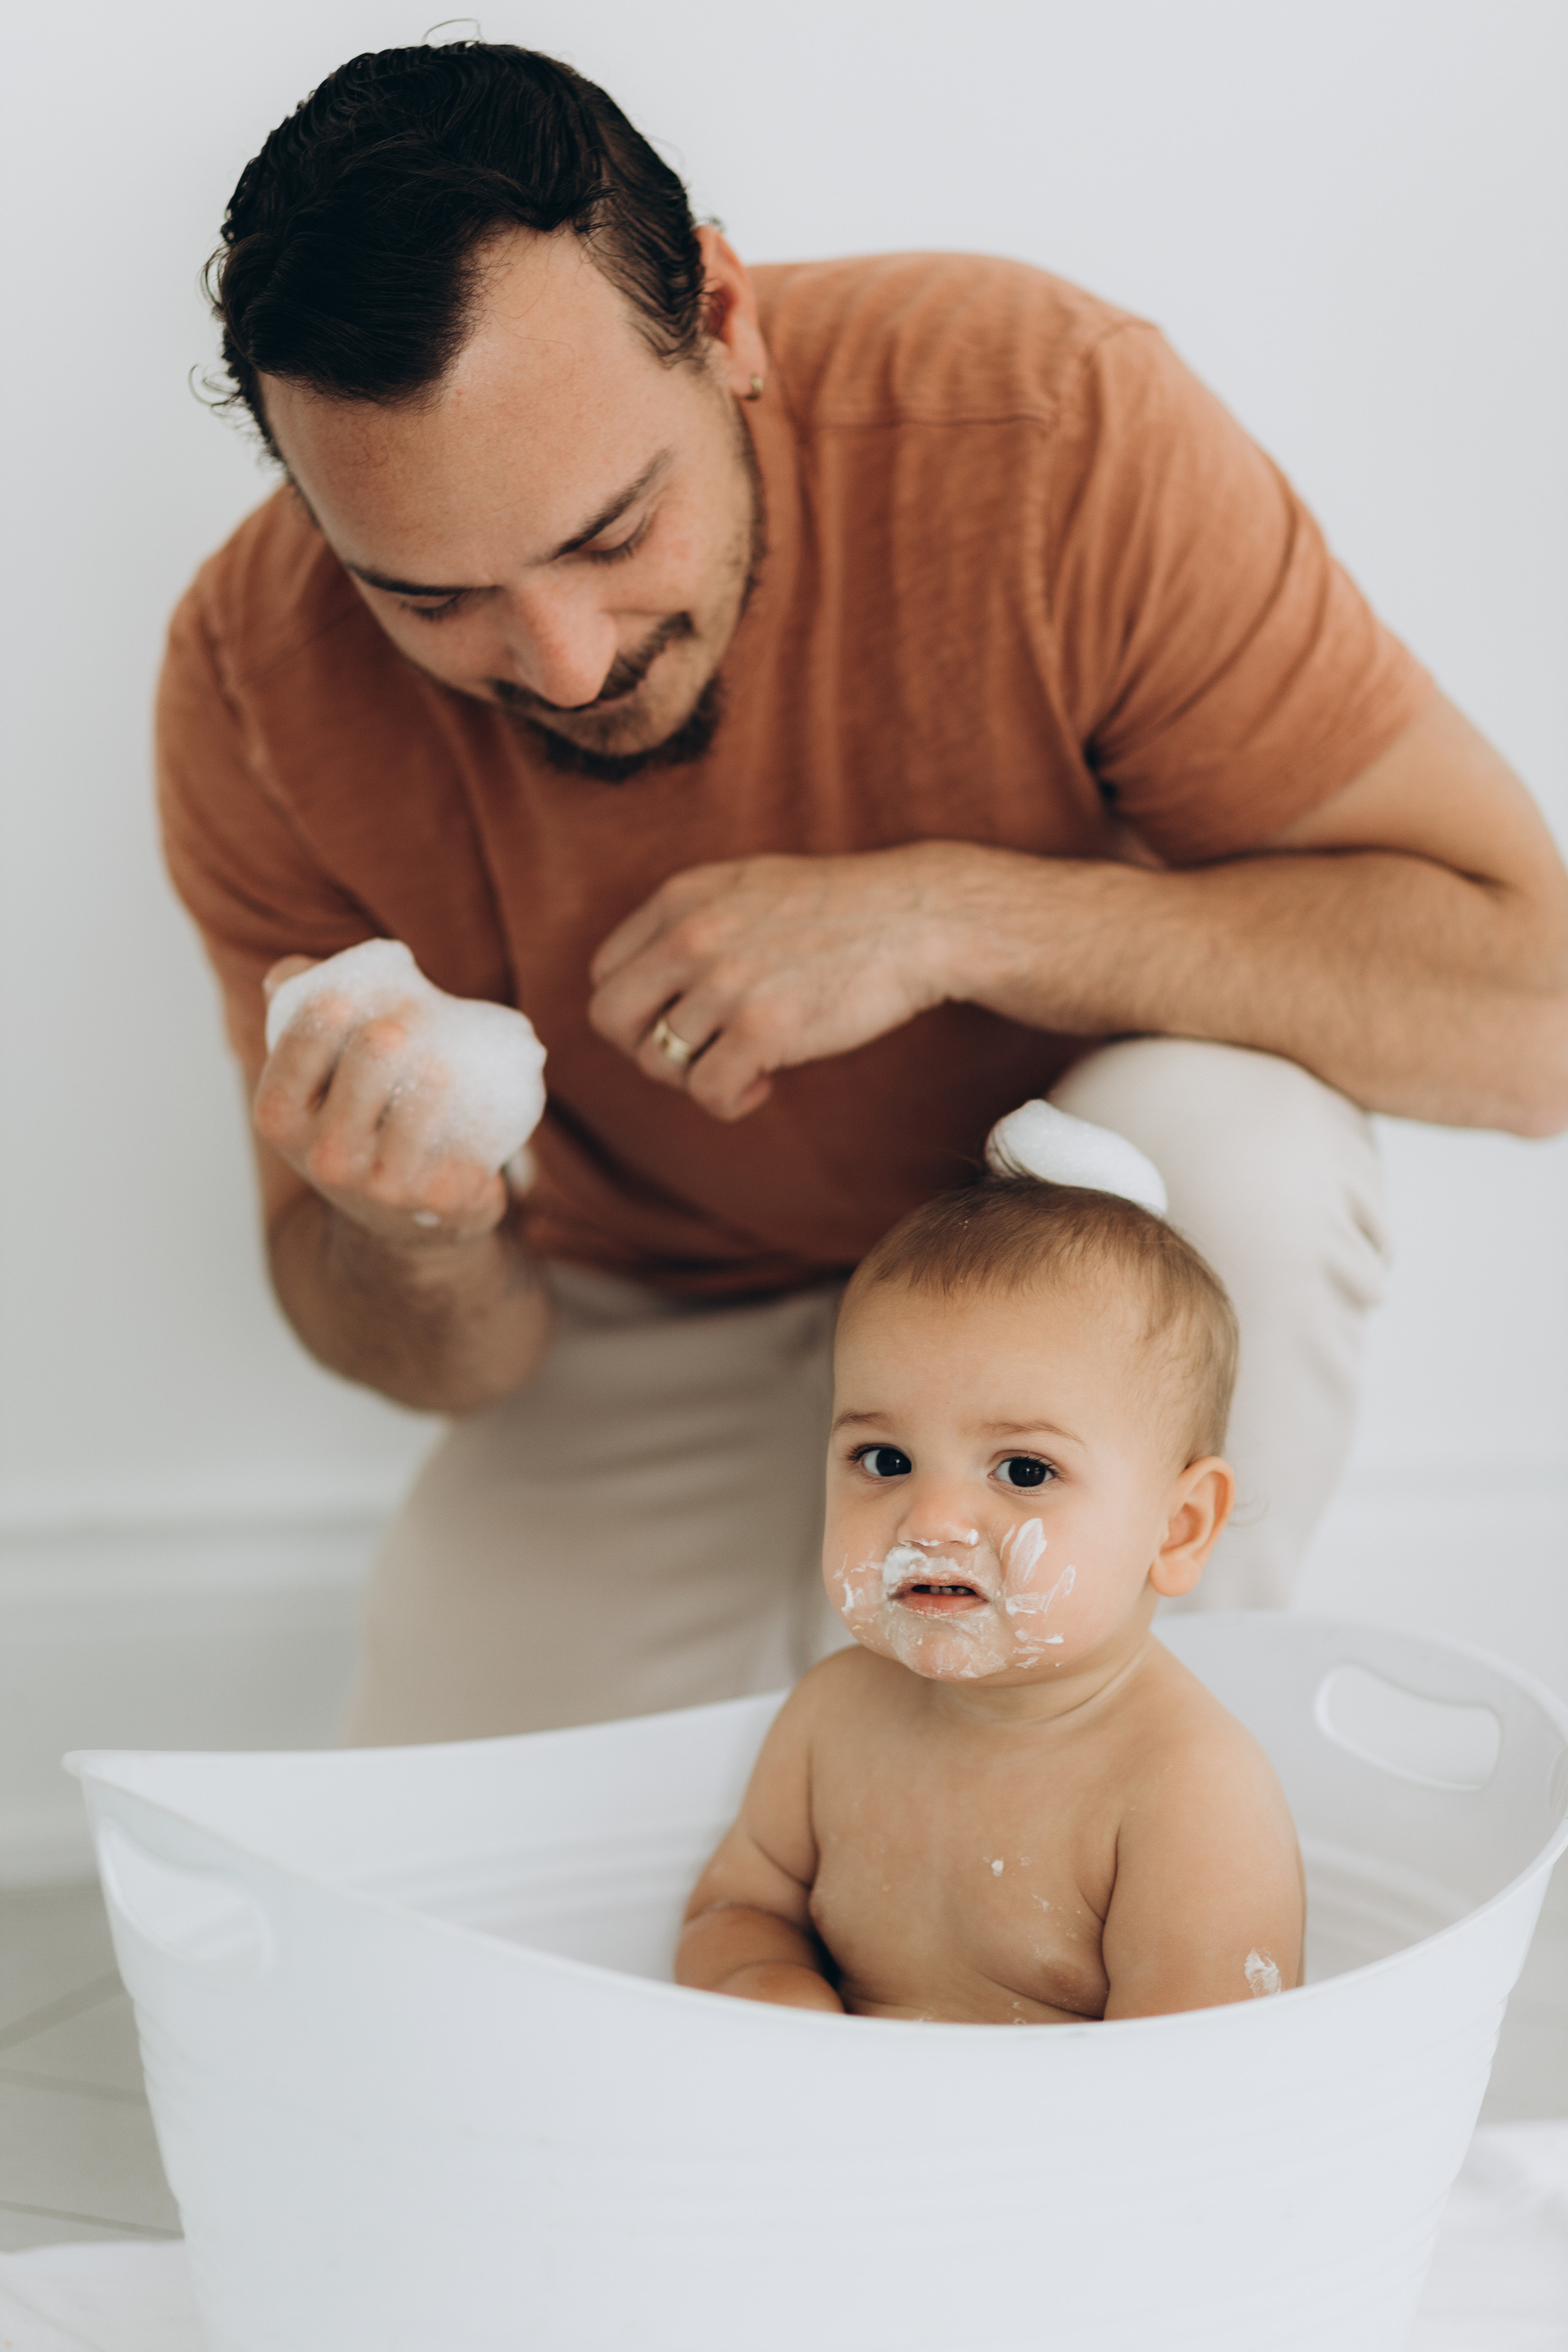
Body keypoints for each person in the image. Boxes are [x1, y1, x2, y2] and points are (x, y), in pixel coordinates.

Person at [157, 41, 1568, 1746]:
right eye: (433, 597)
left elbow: (1534, 1019)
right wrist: (418, 1239)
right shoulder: (253, 678)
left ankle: (1133, 1771)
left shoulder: (1049, 422)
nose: (566, 658)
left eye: (612, 534)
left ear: (730, 323)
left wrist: (957, 915)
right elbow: (435, 1358)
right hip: (656, 1317)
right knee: (457, 1892)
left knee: (1242, 1143)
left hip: (1064, 1234)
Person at [676, 1108, 1304, 2022]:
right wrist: (766, 1989)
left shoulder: (1187, 1793)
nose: (929, 1521)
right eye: (884, 1460)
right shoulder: (831, 1717)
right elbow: (737, 1910)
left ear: (1177, 1528)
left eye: (1023, 1471)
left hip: (1061, 2163)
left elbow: (1191, 2104)